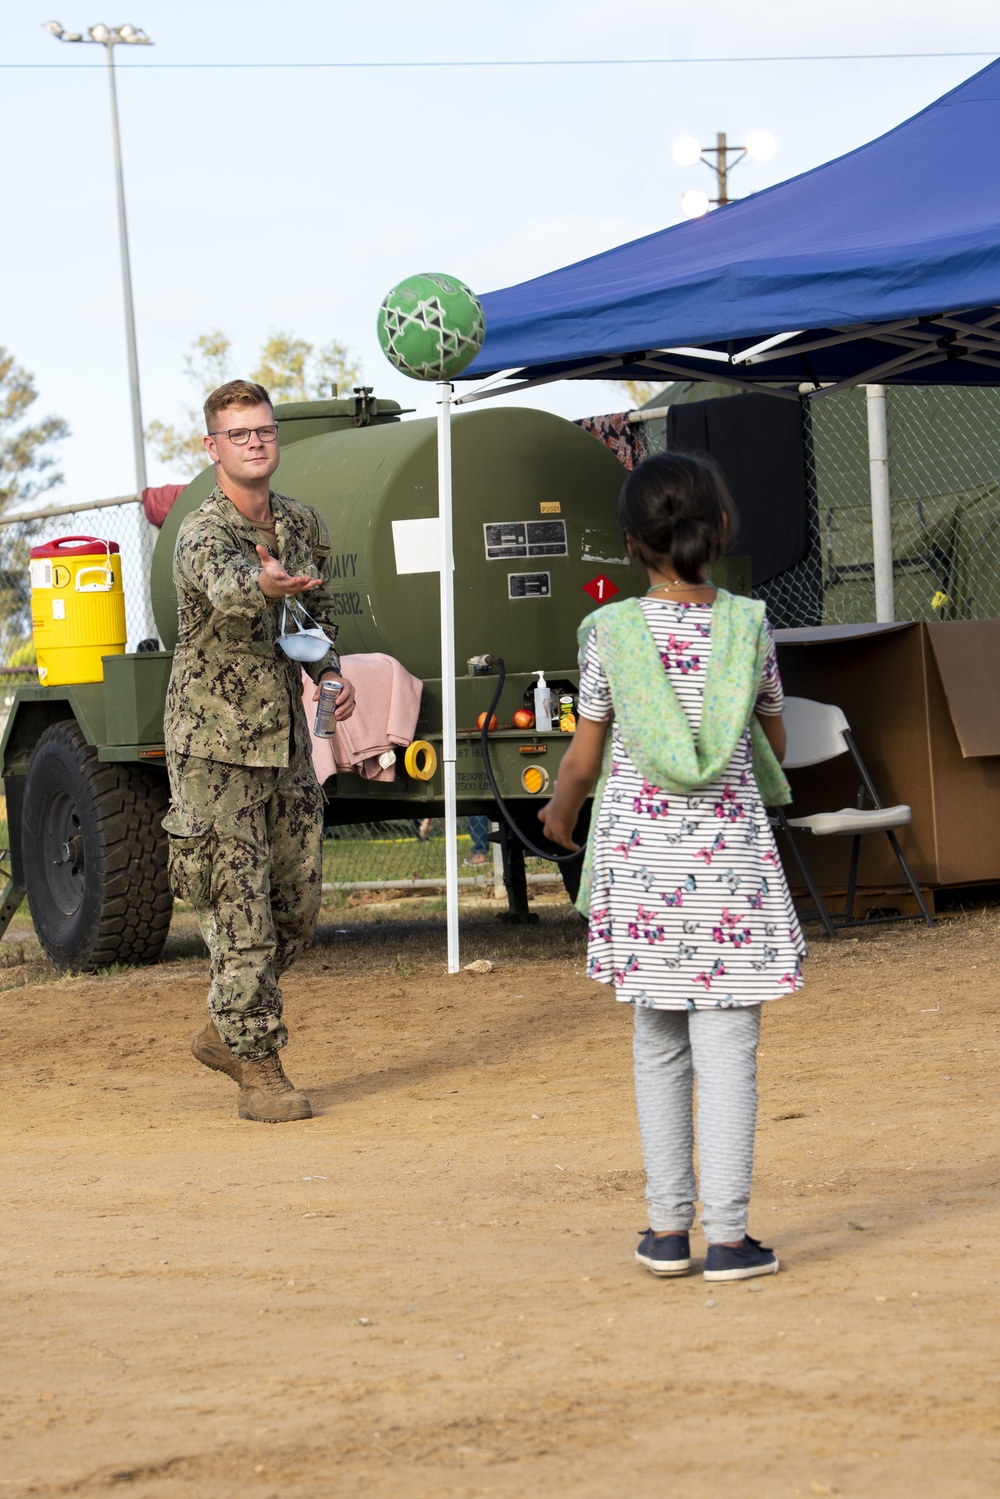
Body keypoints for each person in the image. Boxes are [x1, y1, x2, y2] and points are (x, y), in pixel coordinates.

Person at [538, 452, 804, 1282]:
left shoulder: (610, 635)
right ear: (721, 528)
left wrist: (560, 813)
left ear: (630, 543)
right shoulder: (750, 627)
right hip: (727, 871)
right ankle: (728, 1237)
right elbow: (773, 741)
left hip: (644, 872)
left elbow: (583, 757)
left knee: (658, 1044)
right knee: (728, 1050)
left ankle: (664, 1230)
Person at [162, 379, 355, 1124]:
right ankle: (259, 1068)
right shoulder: (203, 532)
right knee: (240, 914)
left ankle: (224, 1026)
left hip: (286, 748)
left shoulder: (302, 524)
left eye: (264, 431)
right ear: (213, 447)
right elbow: (231, 587)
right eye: (239, 434)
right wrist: (263, 580)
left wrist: (330, 673)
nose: (255, 443)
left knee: (295, 911)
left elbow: (316, 618)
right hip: (214, 750)